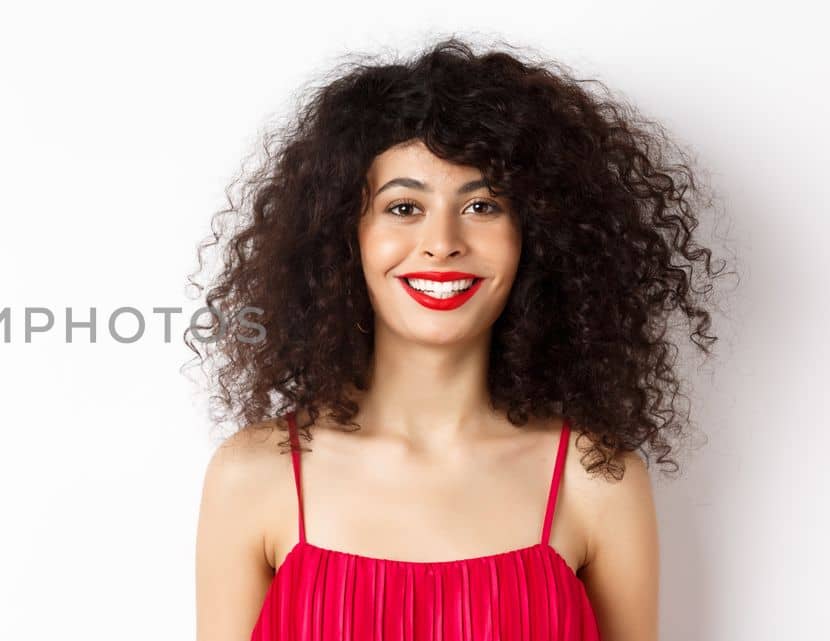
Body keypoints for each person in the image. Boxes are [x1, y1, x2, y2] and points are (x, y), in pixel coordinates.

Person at [191, 36, 729, 641]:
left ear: (539, 237)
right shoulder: (254, 475)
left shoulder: (598, 478)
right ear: (345, 237)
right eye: (403, 208)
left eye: (482, 205)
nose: (442, 241)